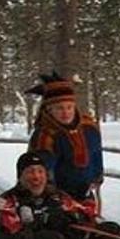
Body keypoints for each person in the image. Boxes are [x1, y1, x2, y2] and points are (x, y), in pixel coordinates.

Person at [25, 72, 104, 201]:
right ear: (49, 109)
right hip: (57, 197)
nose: (65, 112)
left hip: (86, 193)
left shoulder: (89, 128)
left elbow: (96, 153)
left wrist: (97, 176)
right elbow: (40, 168)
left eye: (69, 107)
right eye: (59, 108)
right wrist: (50, 191)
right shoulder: (45, 135)